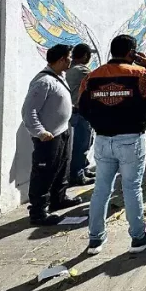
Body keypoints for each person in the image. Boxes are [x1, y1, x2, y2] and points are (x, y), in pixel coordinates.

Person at [79, 35, 146, 254]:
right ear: (132, 53)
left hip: (102, 140)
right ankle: (138, 236)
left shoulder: (92, 76)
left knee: (101, 189)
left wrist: (100, 122)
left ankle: (95, 239)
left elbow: (82, 106)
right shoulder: (141, 73)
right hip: (130, 139)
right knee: (131, 188)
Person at [21, 44, 79, 225]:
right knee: (44, 172)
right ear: (61, 59)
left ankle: (58, 198)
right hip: (48, 136)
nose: (71, 60)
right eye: (69, 57)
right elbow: (28, 110)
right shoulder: (43, 81)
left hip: (62, 131)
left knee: (62, 167)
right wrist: (40, 132)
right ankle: (38, 212)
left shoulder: (59, 77)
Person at [65, 43, 95, 187]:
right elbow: (97, 81)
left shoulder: (71, 68)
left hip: (77, 111)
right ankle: (77, 175)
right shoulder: (81, 70)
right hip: (82, 111)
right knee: (82, 144)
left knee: (86, 142)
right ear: (85, 56)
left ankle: (83, 168)